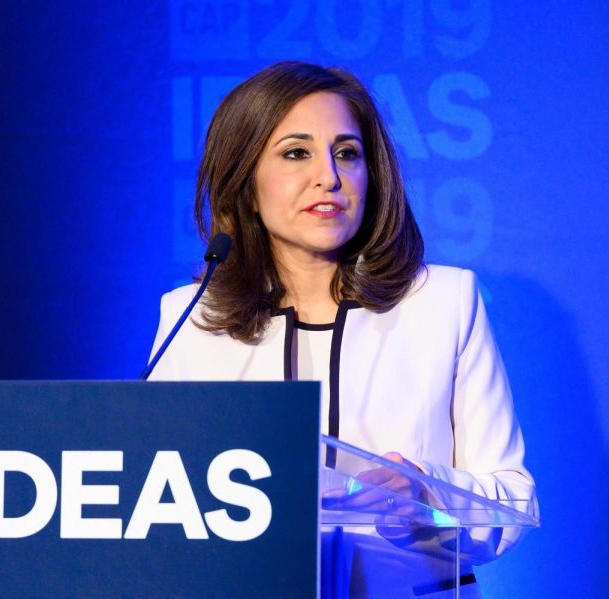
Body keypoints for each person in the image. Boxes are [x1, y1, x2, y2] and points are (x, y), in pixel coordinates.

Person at [147, 61, 536, 592]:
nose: (328, 176)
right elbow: (157, 501)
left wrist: (423, 497)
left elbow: (511, 501)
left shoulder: (443, 303)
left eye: (347, 153)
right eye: (296, 153)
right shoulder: (191, 318)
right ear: (245, 180)